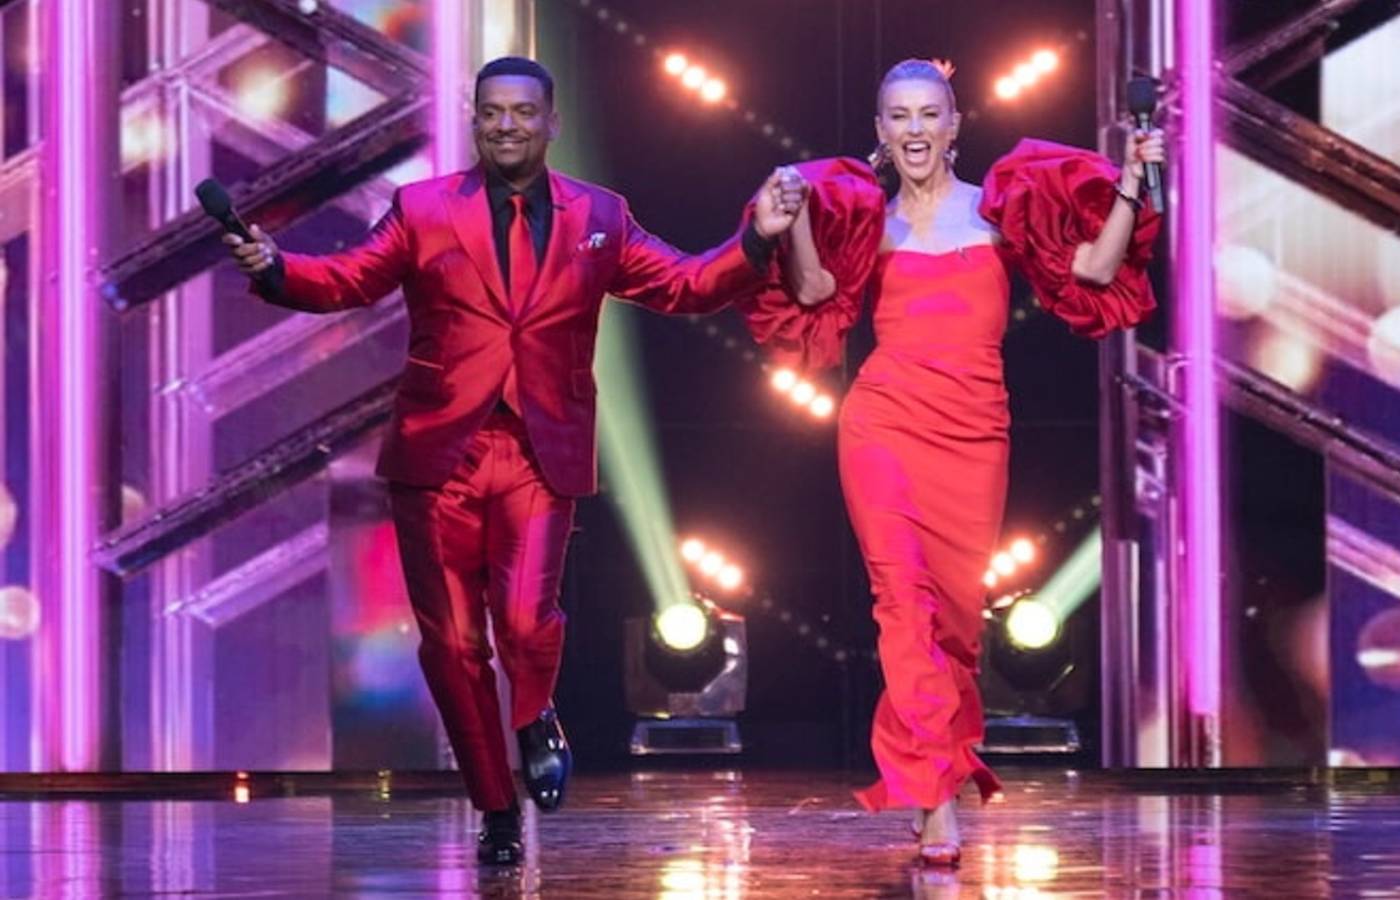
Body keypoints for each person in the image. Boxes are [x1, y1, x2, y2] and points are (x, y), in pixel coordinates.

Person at [223, 56, 804, 866]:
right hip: (439, 456)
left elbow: (685, 284)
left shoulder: (600, 215)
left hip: (540, 449)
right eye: (491, 112)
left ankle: (534, 713)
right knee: (454, 648)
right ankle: (495, 805)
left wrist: (755, 241)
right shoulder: (421, 208)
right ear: (475, 120)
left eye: (522, 112)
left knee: (528, 623)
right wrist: (277, 268)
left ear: (551, 122)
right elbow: (349, 279)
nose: (506, 126)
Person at [740, 58, 1163, 866]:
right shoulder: (872, 220)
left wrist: (1136, 182)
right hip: (883, 426)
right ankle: (934, 801)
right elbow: (813, 286)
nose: (914, 130)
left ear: (955, 124)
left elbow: (1099, 271)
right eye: (898, 116)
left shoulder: (1001, 212)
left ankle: (936, 763)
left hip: (975, 433)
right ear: (880, 132)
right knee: (902, 604)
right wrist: (793, 217)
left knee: (956, 628)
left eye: (928, 114)